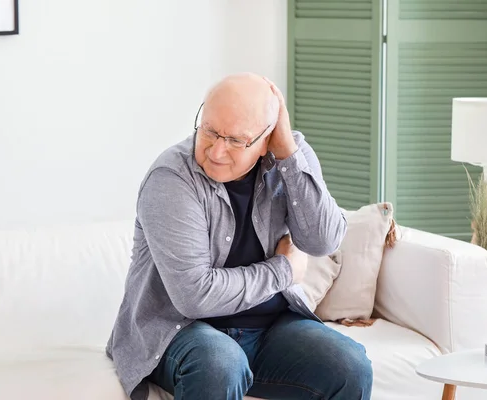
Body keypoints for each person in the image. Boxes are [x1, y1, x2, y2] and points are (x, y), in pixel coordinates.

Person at [106, 73, 373, 400]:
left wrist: (289, 155)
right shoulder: (171, 178)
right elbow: (194, 296)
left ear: (266, 140)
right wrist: (283, 270)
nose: (216, 151)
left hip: (270, 327)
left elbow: (323, 241)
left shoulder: (287, 158)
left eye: (235, 140)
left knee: (349, 366)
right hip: (180, 330)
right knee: (220, 363)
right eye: (209, 131)